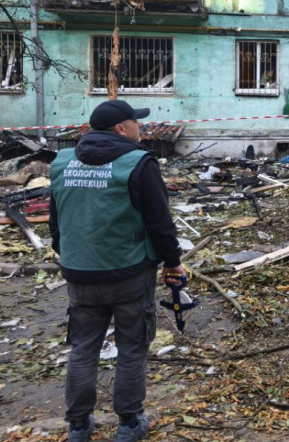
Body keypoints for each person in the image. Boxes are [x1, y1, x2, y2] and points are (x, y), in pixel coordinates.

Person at [49, 100, 184, 442]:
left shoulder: (63, 162)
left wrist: (72, 256)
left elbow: (56, 221)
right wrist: (173, 261)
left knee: (83, 348)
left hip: (80, 272)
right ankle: (129, 423)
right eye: (136, 121)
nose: (141, 127)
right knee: (132, 347)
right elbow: (160, 222)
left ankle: (78, 426)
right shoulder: (138, 162)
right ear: (121, 129)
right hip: (129, 272)